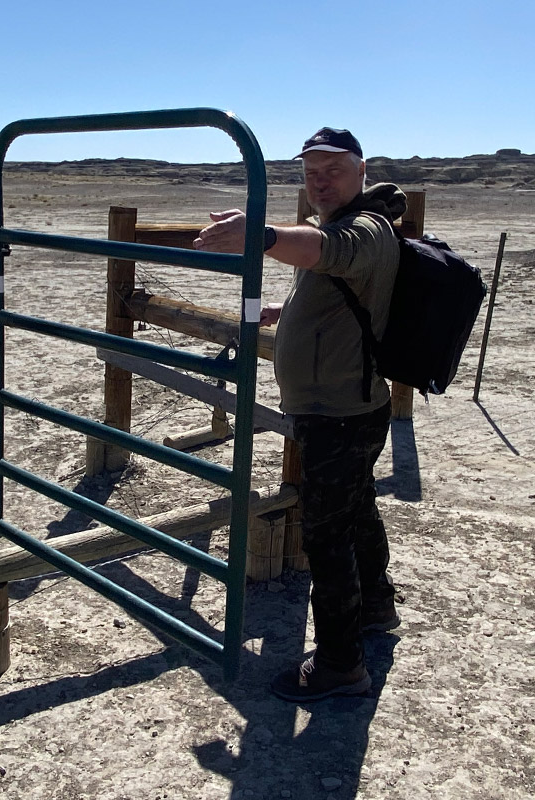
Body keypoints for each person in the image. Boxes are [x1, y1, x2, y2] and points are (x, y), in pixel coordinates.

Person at [194, 127, 406, 701]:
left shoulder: (365, 228)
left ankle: (341, 666)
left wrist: (257, 234)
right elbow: (332, 282)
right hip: (347, 406)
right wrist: (283, 311)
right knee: (357, 509)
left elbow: (328, 254)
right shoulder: (337, 226)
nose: (319, 180)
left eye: (333, 169)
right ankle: (376, 608)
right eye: (311, 170)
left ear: (361, 171)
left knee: (326, 535)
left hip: (338, 412)